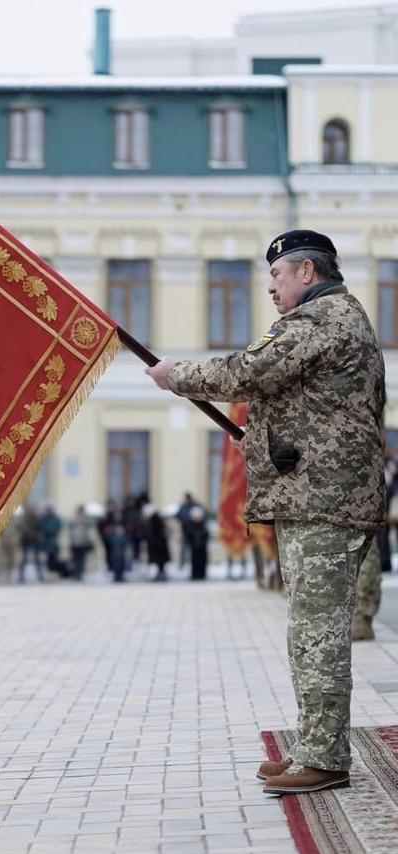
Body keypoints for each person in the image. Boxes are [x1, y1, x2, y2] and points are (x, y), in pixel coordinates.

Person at [146, 229, 384, 795]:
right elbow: (313, 410)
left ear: (306, 273)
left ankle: (324, 758)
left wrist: (173, 374)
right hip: (322, 495)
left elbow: (248, 373)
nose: (270, 287)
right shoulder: (334, 321)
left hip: (326, 502)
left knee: (317, 633)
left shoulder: (320, 322)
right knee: (308, 631)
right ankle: (312, 744)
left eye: (277, 276)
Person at [145, 503, 170, 581]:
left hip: (157, 545)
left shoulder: (154, 521)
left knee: (158, 562)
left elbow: (154, 533)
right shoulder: (158, 519)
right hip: (158, 544)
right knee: (159, 562)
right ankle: (160, 574)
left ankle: (160, 574)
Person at [67, 505, 94, 580]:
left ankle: (80, 574)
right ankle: (76, 573)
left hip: (83, 544)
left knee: (81, 560)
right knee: (75, 560)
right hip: (75, 544)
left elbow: (90, 530)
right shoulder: (74, 520)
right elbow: (70, 532)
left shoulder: (86, 521)